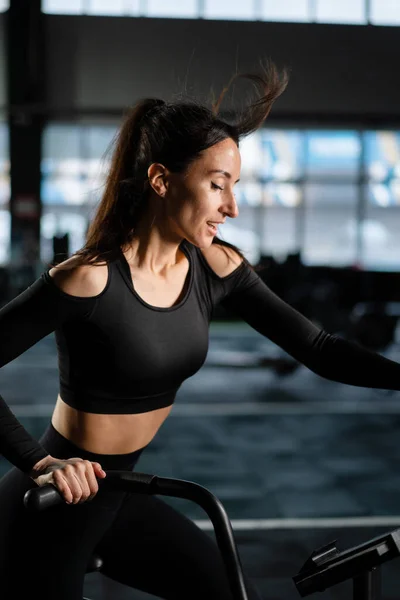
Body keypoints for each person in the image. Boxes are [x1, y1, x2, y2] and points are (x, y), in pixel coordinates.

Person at [0, 60, 399, 600]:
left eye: (233, 186)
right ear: (161, 179)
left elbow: (320, 349)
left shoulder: (217, 269)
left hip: (120, 494)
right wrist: (41, 462)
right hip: (52, 506)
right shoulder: (89, 278)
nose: (231, 206)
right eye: (217, 185)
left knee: (235, 594)